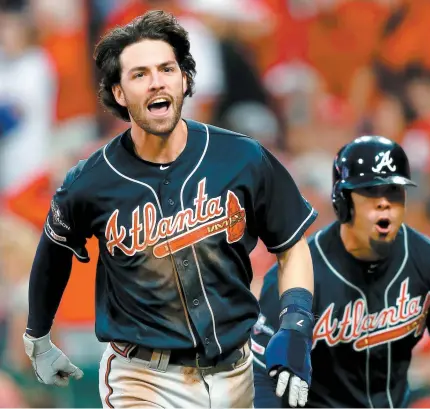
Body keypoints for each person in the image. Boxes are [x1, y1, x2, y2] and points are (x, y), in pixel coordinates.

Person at [22, 10, 317, 408]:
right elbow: (52, 256)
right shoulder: (89, 181)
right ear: (119, 93)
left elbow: (291, 243)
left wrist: (296, 326)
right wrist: (38, 336)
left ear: (186, 79)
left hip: (239, 370)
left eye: (167, 68)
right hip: (144, 379)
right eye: (139, 74)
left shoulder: (242, 156)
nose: (157, 80)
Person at [251, 135, 430, 408]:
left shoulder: (429, 259)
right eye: (372, 192)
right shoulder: (301, 270)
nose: (385, 203)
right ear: (343, 202)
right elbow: (262, 372)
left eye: (394, 191)